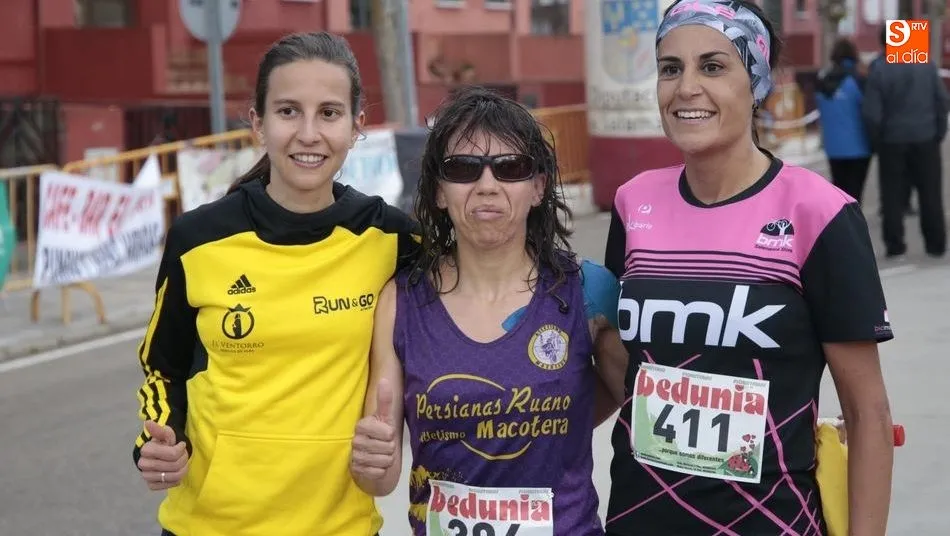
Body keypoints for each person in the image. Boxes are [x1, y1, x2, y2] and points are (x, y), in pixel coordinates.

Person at [602, 1, 895, 535]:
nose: (686, 87)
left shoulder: (819, 213)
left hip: (770, 521)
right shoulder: (632, 201)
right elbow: (621, 367)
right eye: (671, 68)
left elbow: (867, 412)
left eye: (713, 66)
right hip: (638, 518)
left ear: (757, 83)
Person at [131, 31, 418, 536]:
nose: (308, 133)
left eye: (329, 113)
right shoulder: (198, 239)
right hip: (208, 526)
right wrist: (160, 440)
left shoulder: (393, 239)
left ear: (357, 126)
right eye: (288, 111)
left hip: (341, 526)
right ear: (258, 123)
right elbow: (162, 366)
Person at [347, 87, 627, 535]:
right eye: (462, 169)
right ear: (439, 191)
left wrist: (545, 426)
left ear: (538, 187)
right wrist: (372, 462)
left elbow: (633, 406)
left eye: (510, 167)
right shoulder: (400, 302)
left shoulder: (588, 291)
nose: (487, 186)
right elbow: (380, 479)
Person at [863, 24, 949, 258]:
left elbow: (872, 112)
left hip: (892, 138)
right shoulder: (927, 66)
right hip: (926, 137)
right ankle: (936, 243)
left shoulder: (880, 69)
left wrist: (877, 140)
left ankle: (895, 244)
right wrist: (939, 131)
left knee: (892, 194)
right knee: (930, 192)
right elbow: (942, 101)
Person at [815, 38, 872, 204]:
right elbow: (869, 110)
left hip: (833, 148)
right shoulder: (858, 80)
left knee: (839, 195)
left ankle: (840, 219)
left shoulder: (822, 81)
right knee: (855, 196)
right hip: (859, 147)